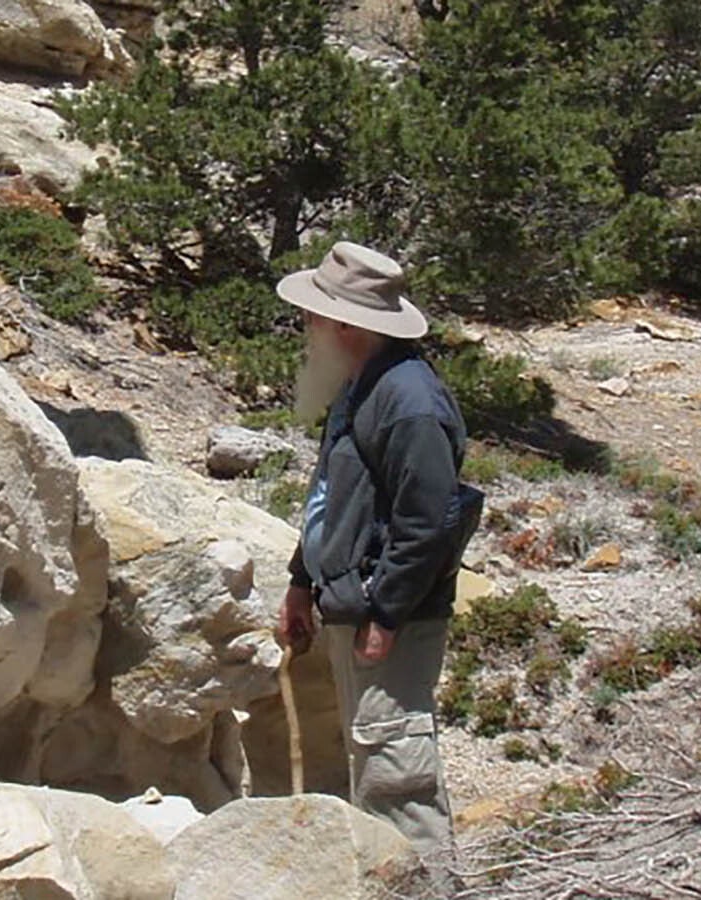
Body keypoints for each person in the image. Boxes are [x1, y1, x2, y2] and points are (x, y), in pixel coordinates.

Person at [273, 241, 469, 864]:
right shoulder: (363, 386)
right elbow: (336, 496)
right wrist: (302, 581)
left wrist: (386, 615)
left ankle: (428, 882)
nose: (305, 327)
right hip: (352, 605)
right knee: (372, 759)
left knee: (395, 771)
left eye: (314, 314)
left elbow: (431, 520)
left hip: (390, 620)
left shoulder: (409, 402)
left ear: (346, 324)